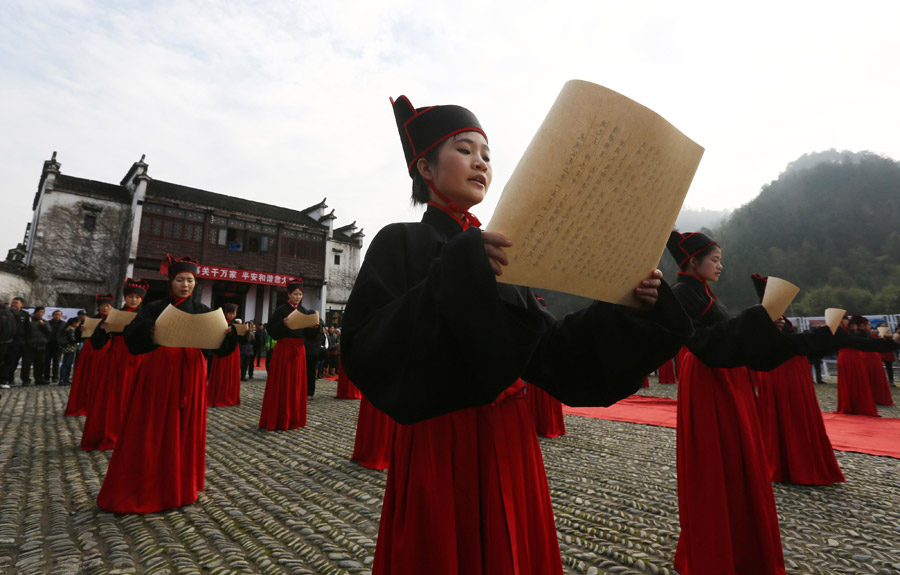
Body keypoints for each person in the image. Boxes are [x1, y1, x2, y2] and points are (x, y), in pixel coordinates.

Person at [341, 95, 692, 575]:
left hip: (512, 439)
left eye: (486, 155)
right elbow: (368, 346)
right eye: (465, 150)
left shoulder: (501, 253)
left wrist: (625, 307)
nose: (480, 163)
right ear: (425, 166)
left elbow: (549, 352)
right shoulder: (400, 241)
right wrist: (455, 273)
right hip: (443, 441)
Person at [667, 231, 809, 575]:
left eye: (720, 259)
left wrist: (764, 326)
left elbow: (729, 333)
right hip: (708, 379)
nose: (720, 265)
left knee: (739, 458)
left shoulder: (704, 293)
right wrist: (755, 319)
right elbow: (704, 341)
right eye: (714, 259)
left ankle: (742, 539)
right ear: (692, 262)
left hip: (728, 379)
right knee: (721, 460)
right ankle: (719, 545)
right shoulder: (681, 294)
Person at [97, 255, 236, 514]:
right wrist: (148, 330)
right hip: (159, 372)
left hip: (192, 372)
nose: (185, 285)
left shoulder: (204, 310)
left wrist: (229, 335)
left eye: (190, 280)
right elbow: (133, 342)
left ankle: (181, 485)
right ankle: (149, 483)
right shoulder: (152, 308)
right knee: (152, 425)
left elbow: (220, 350)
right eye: (180, 280)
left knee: (186, 427)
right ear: (171, 281)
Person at [748, 274, 844, 485]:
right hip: (779, 373)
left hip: (794, 372)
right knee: (789, 417)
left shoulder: (778, 317)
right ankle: (790, 465)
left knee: (798, 416)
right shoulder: (763, 317)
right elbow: (778, 344)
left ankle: (800, 462)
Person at [81, 278, 148, 451]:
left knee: (135, 399)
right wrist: (103, 329)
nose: (134, 300)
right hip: (115, 359)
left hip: (138, 360)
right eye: (130, 296)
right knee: (110, 398)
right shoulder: (113, 314)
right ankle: (109, 433)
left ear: (142, 299)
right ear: (125, 297)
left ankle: (133, 437)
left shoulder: (146, 315)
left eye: (137, 297)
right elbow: (97, 343)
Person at [259, 279, 319, 431]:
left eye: (300, 294)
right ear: (289, 295)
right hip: (284, 348)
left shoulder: (304, 311)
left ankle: (294, 417)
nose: (298, 297)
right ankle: (279, 417)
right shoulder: (281, 310)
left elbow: (310, 335)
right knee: (283, 382)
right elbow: (271, 330)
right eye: (295, 294)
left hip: (299, 349)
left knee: (297, 384)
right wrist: (283, 324)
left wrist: (314, 327)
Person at [65, 295, 113, 416]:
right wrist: (80, 331)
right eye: (103, 306)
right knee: (87, 377)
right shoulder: (91, 319)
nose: (105, 308)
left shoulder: (114, 319)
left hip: (108, 350)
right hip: (91, 350)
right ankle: (84, 404)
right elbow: (78, 338)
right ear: (98, 307)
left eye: (108, 306)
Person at [208, 304, 243, 407]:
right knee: (221, 372)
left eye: (234, 313)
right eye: (231, 312)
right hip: (222, 350)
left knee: (232, 373)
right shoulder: (219, 322)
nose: (233, 315)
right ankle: (219, 396)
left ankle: (230, 396)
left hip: (234, 351)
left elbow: (242, 339)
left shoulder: (235, 324)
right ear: (226, 312)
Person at [1, 296, 30, 388]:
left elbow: (27, 328)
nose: (13, 304)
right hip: (5, 341)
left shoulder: (25, 314)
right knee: (3, 361)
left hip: (17, 342)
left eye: (16, 303)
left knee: (12, 362)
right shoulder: (6, 312)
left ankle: (8, 378)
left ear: (22, 304)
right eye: (12, 303)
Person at [22, 306, 50, 385]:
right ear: (35, 312)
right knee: (26, 364)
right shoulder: (29, 321)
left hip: (41, 346)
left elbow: (49, 331)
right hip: (29, 346)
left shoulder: (45, 322)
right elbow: (25, 331)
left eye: (42, 312)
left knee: (40, 364)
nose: (40, 314)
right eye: (39, 312)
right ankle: (26, 380)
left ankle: (39, 379)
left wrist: (43, 325)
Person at [58, 318, 80, 385]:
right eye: (78, 323)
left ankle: (65, 379)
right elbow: (72, 339)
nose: (78, 325)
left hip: (68, 348)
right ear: (74, 323)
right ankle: (63, 379)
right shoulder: (71, 329)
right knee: (67, 364)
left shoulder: (67, 328)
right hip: (70, 348)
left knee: (67, 364)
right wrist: (77, 341)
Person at [46, 309, 65, 383]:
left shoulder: (63, 324)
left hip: (58, 346)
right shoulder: (48, 323)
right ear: (53, 315)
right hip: (48, 345)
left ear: (61, 316)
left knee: (56, 362)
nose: (57, 316)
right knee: (46, 362)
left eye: (59, 315)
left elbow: (64, 334)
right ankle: (46, 376)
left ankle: (55, 377)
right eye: (56, 314)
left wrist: (62, 342)